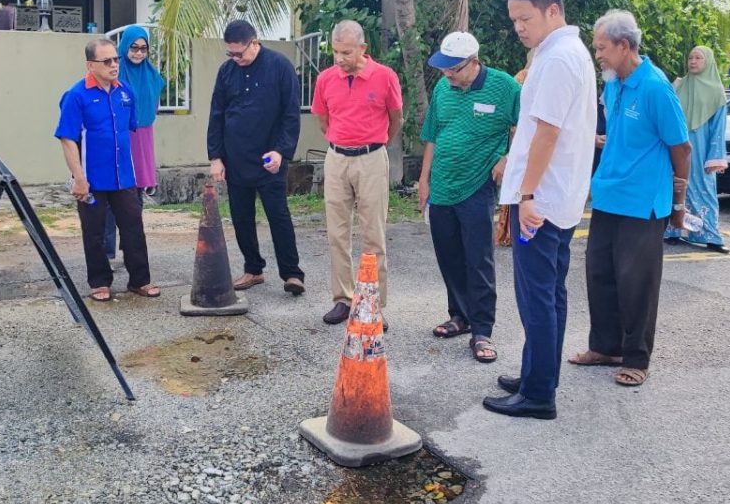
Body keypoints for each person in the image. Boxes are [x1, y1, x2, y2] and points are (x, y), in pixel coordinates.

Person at [483, 0, 596, 420]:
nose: (518, 28)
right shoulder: (566, 52)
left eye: (525, 18)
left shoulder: (557, 59)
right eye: (514, 21)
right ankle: (539, 373)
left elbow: (547, 132)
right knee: (550, 292)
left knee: (538, 296)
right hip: (555, 197)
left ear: (553, 10)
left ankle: (537, 394)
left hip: (541, 203)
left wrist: (526, 194)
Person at [572, 9, 691, 388]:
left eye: (603, 48)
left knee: (636, 280)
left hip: (643, 201)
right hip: (609, 194)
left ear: (625, 46)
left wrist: (678, 201)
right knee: (600, 274)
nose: (598, 56)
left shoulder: (655, 87)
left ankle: (637, 357)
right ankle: (606, 346)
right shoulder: (613, 84)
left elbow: (681, 147)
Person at [420, 31, 520, 362]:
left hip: (477, 185)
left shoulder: (505, 87)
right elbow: (432, 135)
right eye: (444, 68)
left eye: (454, 69)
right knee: (448, 255)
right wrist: (424, 179)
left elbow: (525, 127)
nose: (447, 75)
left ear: (474, 62)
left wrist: (508, 158)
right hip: (442, 186)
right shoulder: (442, 89)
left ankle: (482, 330)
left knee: (478, 259)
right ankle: (459, 316)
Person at [312, 20, 403, 325]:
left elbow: (395, 119)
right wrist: (342, 142)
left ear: (363, 48)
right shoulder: (325, 79)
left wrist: (374, 145)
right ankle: (343, 298)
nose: (340, 58)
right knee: (337, 234)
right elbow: (323, 120)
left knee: (373, 235)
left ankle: (373, 305)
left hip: (371, 158)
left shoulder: (385, 76)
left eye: (347, 52)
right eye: (336, 52)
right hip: (337, 158)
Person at [55, 38, 160, 301]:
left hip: (124, 176)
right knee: (95, 231)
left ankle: (140, 280)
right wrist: (79, 178)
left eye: (116, 59)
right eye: (107, 61)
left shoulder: (125, 92)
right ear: (91, 65)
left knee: (134, 226)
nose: (114, 65)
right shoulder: (76, 96)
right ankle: (100, 282)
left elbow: (131, 132)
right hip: (91, 178)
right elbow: (68, 139)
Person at [207, 20, 306, 295]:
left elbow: (290, 114)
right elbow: (217, 115)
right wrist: (216, 157)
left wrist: (281, 150)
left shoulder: (280, 66)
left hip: (269, 159)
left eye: (240, 53)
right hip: (235, 157)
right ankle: (253, 269)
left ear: (255, 42)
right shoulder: (227, 71)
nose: (236, 59)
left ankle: (292, 273)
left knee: (278, 216)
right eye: (231, 54)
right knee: (241, 217)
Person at [103, 25, 166, 260]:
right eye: (134, 48)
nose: (139, 53)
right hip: (119, 137)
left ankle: (130, 248)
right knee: (112, 194)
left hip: (142, 140)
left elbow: (153, 112)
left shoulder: (153, 76)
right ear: (124, 47)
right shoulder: (115, 76)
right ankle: (107, 252)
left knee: (135, 197)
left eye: (143, 49)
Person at [664, 45, 729, 253]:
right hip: (677, 145)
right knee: (675, 185)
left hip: (700, 149)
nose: (693, 61)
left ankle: (709, 234)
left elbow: (718, 128)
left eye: (698, 58)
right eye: (691, 57)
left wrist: (715, 157)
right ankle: (673, 230)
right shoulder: (679, 86)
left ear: (708, 62)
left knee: (704, 188)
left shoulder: (717, 92)